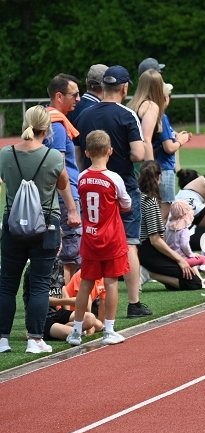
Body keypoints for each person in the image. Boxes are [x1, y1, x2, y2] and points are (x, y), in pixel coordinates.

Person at [0, 105, 80, 354]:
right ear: (46, 129)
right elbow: (63, 184)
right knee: (40, 284)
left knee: (6, 284)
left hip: (13, 224)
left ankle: (2, 339)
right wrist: (73, 211)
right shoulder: (53, 157)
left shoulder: (6, 153)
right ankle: (35, 339)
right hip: (45, 225)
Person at [73, 65, 149, 318]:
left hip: (91, 184)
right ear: (125, 87)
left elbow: (77, 153)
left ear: (102, 86)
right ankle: (134, 302)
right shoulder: (127, 115)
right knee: (128, 243)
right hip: (122, 184)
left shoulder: (84, 115)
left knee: (94, 241)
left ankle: (91, 303)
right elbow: (138, 153)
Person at [67, 129, 131, 346]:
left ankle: (75, 331)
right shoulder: (114, 178)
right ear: (110, 151)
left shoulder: (82, 177)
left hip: (90, 238)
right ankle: (109, 330)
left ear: (86, 152)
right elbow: (126, 204)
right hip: (112, 239)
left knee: (85, 283)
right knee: (111, 283)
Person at [137, 160, 203, 290]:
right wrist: (180, 259)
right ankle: (150, 273)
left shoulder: (139, 197)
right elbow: (155, 240)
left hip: (143, 249)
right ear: (158, 177)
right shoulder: (150, 201)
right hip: (148, 251)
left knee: (181, 278)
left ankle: (152, 272)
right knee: (194, 282)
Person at [45, 73, 83, 284]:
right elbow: (59, 168)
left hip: (52, 196)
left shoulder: (44, 118)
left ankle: (56, 300)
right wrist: (71, 207)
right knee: (70, 256)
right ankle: (65, 304)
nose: (78, 99)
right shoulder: (58, 126)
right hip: (64, 196)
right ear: (59, 96)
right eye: (74, 94)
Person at [22, 256, 102, 343]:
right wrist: (71, 301)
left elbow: (62, 289)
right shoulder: (34, 269)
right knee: (72, 333)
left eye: (59, 243)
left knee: (90, 319)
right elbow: (42, 299)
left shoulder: (58, 263)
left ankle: (63, 327)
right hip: (41, 318)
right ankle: (35, 331)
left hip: (57, 312)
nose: (58, 246)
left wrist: (66, 314)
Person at [154, 82, 192, 221]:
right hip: (164, 167)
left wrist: (175, 136)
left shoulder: (151, 113)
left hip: (155, 167)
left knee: (155, 210)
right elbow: (169, 147)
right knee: (165, 211)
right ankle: (159, 241)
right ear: (164, 98)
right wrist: (182, 140)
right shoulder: (161, 116)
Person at [164, 200, 205, 288]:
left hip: (172, 258)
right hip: (182, 259)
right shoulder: (183, 229)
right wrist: (191, 254)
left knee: (193, 262)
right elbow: (184, 245)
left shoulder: (168, 226)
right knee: (203, 259)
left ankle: (201, 281)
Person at [129, 68, 166, 163]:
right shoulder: (150, 106)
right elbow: (146, 140)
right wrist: (151, 170)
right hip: (141, 163)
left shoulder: (132, 104)